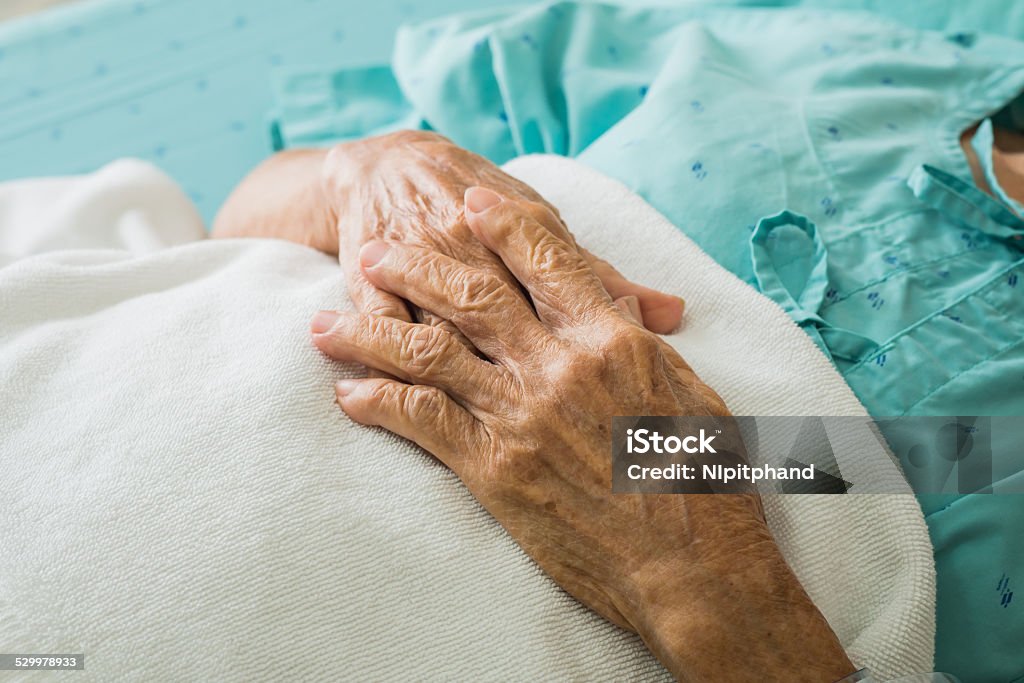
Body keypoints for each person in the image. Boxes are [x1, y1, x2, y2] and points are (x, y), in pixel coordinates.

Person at [214, 131, 859, 680]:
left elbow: (883, 462)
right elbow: (237, 214)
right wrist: (373, 162)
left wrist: (686, 561)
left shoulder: (946, 456)